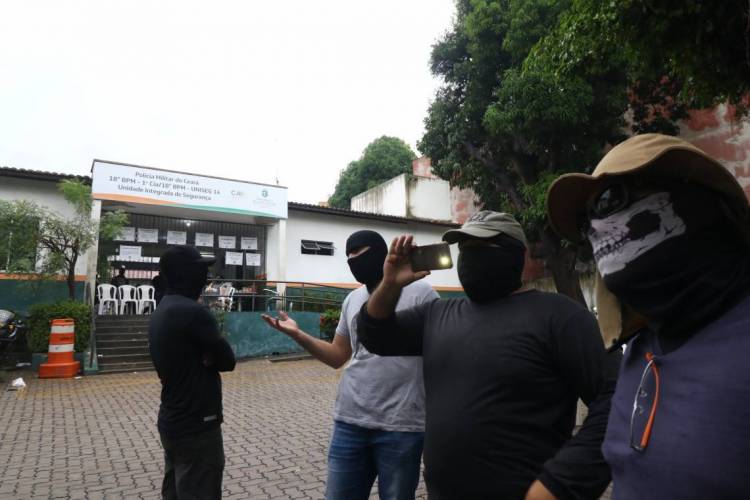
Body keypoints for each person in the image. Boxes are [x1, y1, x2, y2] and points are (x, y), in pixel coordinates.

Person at [357, 212, 618, 500]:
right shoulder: (437, 314)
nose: (469, 257)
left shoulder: (560, 316)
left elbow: (618, 398)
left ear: (514, 255)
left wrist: (561, 483)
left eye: (480, 248)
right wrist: (390, 284)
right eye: (464, 249)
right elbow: (375, 335)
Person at [546, 133, 750, 499]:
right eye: (584, 222)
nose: (595, 229)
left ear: (698, 197)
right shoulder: (641, 346)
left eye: (611, 200)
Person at [262, 230, 438, 500]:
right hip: (350, 423)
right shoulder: (352, 300)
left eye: (359, 252)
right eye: (349, 255)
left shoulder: (422, 293)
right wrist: (298, 335)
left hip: (402, 426)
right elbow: (336, 356)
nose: (353, 259)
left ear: (381, 253)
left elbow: (438, 356)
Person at [148, 246, 236, 500]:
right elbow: (227, 360)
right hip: (198, 423)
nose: (205, 276)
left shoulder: (164, 307)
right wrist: (209, 356)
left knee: (175, 490)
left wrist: (209, 356)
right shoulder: (193, 312)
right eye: (201, 270)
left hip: (173, 420)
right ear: (188, 274)